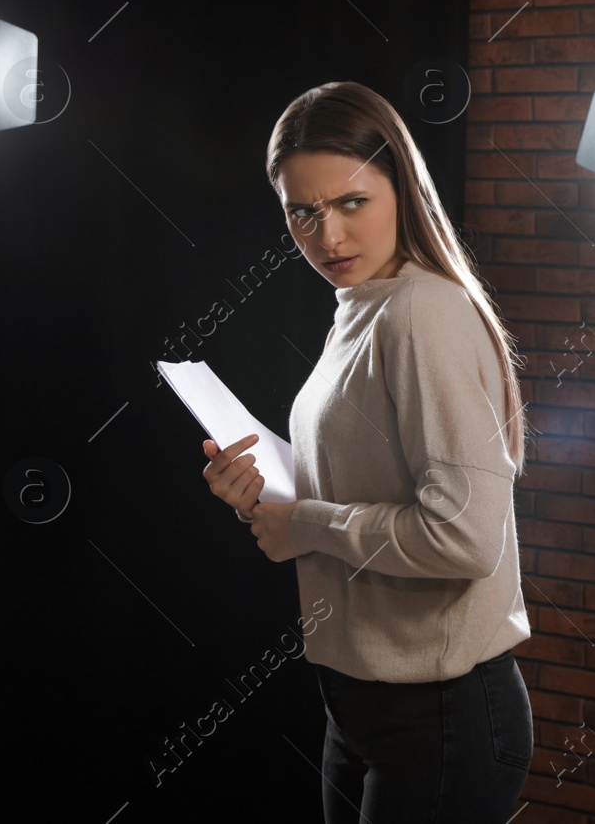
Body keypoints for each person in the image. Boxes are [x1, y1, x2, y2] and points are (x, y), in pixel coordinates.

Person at [201, 80, 533, 823]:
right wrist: (268, 492)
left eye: (351, 203)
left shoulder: (420, 312)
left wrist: (307, 524)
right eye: (303, 213)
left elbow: (463, 535)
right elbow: (365, 482)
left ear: (402, 189)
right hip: (360, 704)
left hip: (441, 713)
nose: (328, 238)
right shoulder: (364, 307)